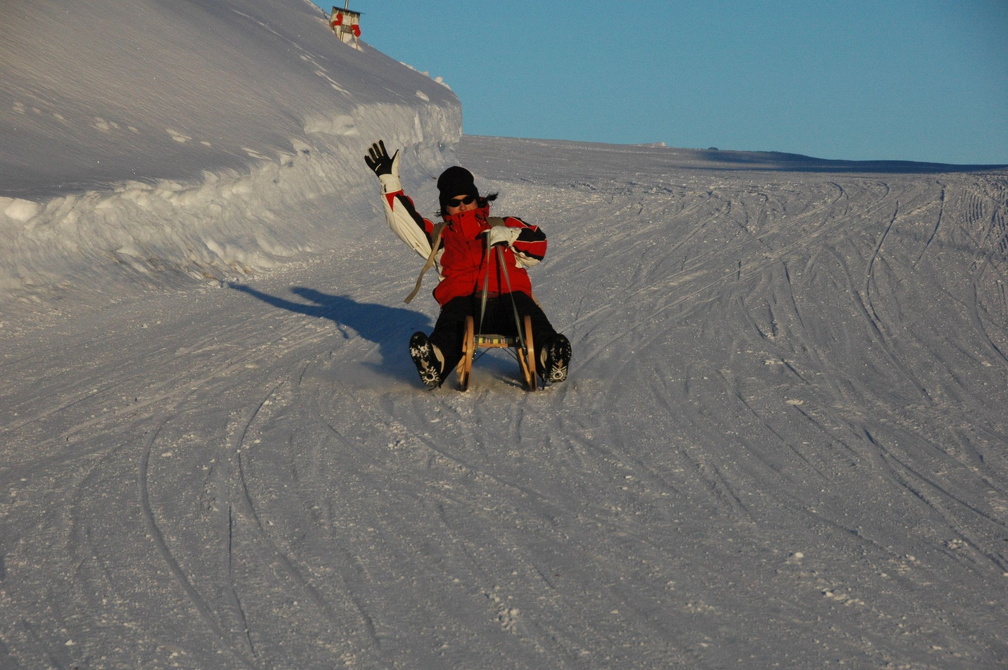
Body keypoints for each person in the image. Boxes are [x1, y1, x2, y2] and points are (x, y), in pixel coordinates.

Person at [365, 140, 571, 389]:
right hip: (465, 303)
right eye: (454, 201)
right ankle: (435, 361)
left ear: (477, 198)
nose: (462, 205)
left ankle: (550, 358)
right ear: (445, 207)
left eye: (468, 198)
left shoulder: (501, 223)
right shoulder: (440, 236)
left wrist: (512, 236)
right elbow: (405, 222)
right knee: (453, 320)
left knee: (529, 315)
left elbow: (538, 246)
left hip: (509, 298)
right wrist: (389, 181)